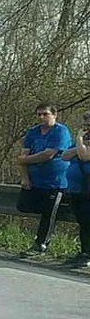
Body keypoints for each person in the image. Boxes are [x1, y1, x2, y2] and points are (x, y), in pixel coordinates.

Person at [16, 103, 71, 256]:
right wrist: (25, 177)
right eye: (39, 114)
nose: (41, 117)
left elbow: (48, 154)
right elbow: (23, 155)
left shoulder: (61, 131)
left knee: (49, 213)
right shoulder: (32, 132)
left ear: (54, 115)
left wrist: (24, 160)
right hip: (35, 180)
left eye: (45, 114)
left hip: (55, 181)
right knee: (23, 205)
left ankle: (41, 244)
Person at [62, 111, 90, 268]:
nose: (86, 128)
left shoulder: (81, 139)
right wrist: (81, 145)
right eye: (85, 125)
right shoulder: (84, 141)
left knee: (88, 222)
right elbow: (65, 156)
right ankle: (84, 252)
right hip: (77, 190)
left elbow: (85, 156)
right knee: (83, 222)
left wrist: (79, 139)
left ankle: (88, 254)